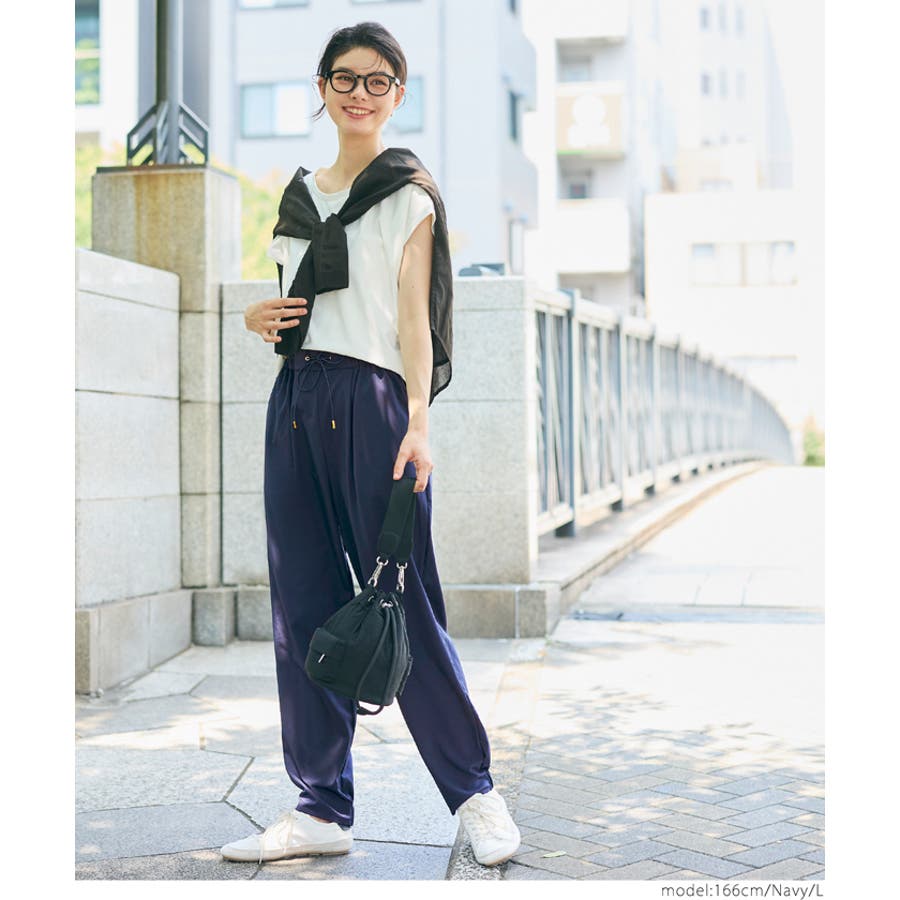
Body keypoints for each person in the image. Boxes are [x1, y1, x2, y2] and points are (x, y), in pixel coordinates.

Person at [220, 22, 521, 869]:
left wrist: (420, 421)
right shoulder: (297, 199)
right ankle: (320, 805)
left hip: (375, 405)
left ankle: (475, 795)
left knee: (403, 600)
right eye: (345, 78)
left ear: (398, 94)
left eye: (378, 80)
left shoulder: (408, 195)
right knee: (303, 607)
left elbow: (414, 322)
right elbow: (294, 308)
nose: (360, 93)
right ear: (321, 89)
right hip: (296, 401)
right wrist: (254, 316)